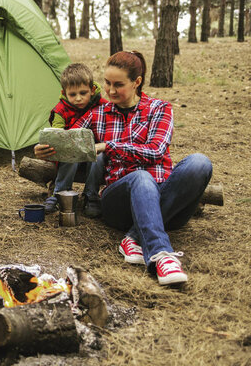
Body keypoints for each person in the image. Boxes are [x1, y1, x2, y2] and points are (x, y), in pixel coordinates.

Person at [72, 50, 212, 286]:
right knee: (140, 177)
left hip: (166, 202)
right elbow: (70, 140)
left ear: (137, 82)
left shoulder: (160, 109)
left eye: (118, 84)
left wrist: (109, 145)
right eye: (107, 83)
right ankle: (161, 255)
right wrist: (47, 149)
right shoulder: (98, 114)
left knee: (200, 163)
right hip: (119, 204)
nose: (111, 90)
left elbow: (156, 151)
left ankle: (134, 237)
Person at [35, 63, 108, 217]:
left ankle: (91, 196)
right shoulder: (61, 110)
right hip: (69, 157)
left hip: (94, 152)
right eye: (72, 94)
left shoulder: (103, 106)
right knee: (71, 153)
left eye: (83, 93)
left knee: (100, 157)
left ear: (92, 90)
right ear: (64, 92)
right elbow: (57, 134)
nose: (78, 98)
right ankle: (59, 194)